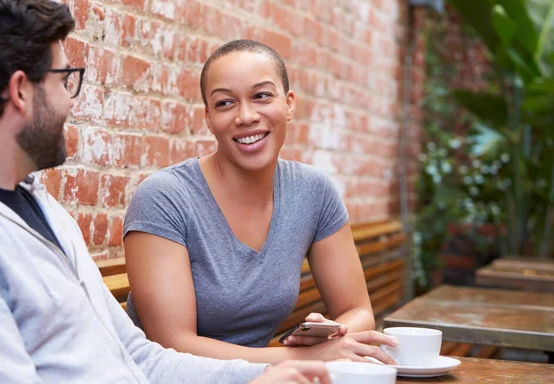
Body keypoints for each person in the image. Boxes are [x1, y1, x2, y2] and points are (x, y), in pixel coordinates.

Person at [0, 0, 330, 383]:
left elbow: (136, 356)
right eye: (64, 79)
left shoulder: (43, 209)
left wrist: (262, 375)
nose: (70, 101)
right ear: (20, 91)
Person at [122, 39, 399, 364]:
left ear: (289, 103)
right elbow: (173, 346)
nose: (246, 115)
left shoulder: (313, 192)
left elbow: (357, 310)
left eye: (261, 96)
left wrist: (332, 335)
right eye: (225, 103)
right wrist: (297, 359)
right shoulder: (165, 198)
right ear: (209, 118)